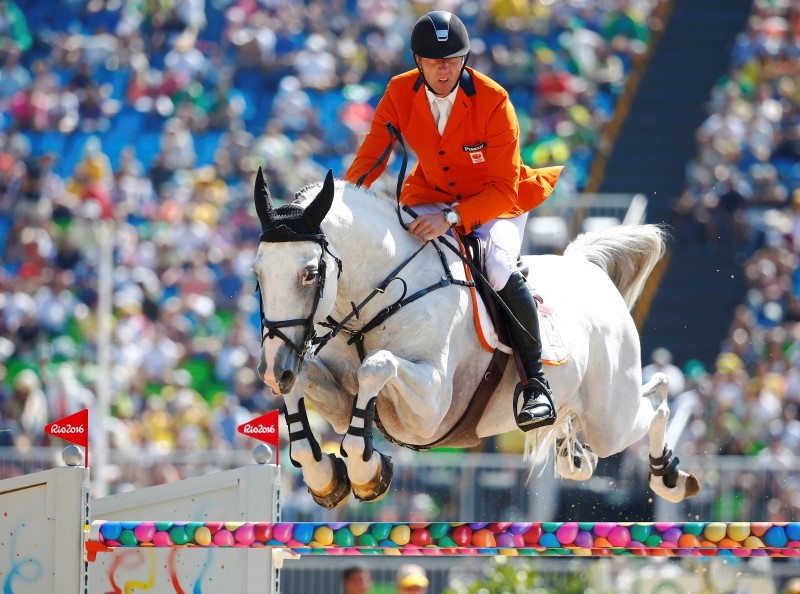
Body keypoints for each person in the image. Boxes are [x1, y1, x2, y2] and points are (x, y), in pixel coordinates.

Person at [345, 10, 563, 431]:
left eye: (453, 60)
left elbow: (503, 186)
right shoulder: (398, 91)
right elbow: (373, 154)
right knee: (391, 251)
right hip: (430, 195)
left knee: (497, 268)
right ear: (418, 61)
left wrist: (452, 218)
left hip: (496, 203)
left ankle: (535, 384)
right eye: (433, 60)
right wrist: (344, 199)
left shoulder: (493, 99)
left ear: (464, 59)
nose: (444, 69)